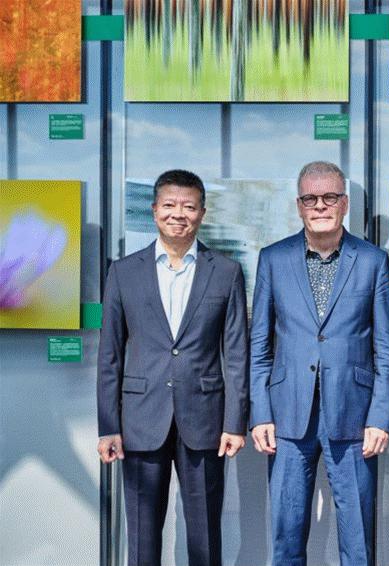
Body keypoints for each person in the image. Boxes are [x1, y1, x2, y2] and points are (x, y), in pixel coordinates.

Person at [249, 161, 389, 566]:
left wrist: (381, 417)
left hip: (355, 418)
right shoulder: (273, 259)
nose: (320, 206)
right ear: (299, 205)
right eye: (310, 198)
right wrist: (260, 414)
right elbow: (259, 345)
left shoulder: (371, 260)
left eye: (329, 197)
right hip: (287, 417)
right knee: (286, 537)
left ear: (344, 203)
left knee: (357, 540)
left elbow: (386, 348)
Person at [97, 169, 249, 566]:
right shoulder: (123, 272)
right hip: (140, 420)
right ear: (154, 211)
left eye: (189, 207)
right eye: (169, 205)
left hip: (205, 420)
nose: (178, 214)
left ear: (202, 213)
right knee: (142, 538)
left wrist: (235, 423)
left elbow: (236, 353)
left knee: (205, 535)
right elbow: (110, 354)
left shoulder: (226, 272)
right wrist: (108, 425)